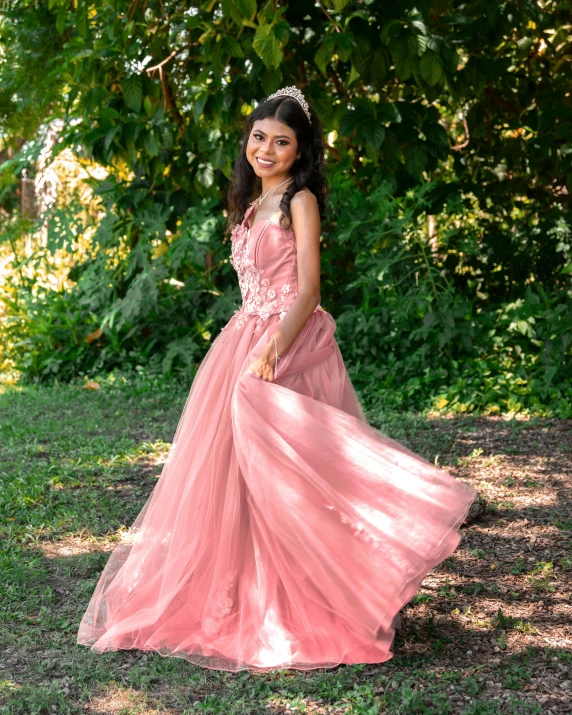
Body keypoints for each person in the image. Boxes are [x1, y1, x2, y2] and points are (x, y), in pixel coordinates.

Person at [77, 86, 477, 672]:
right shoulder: (247, 203)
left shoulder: (299, 200)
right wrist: (251, 343)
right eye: (259, 136)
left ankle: (339, 580)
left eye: (282, 141)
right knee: (233, 472)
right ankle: (241, 592)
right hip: (242, 336)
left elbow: (309, 289)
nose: (266, 149)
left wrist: (272, 350)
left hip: (288, 340)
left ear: (300, 150)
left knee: (299, 469)